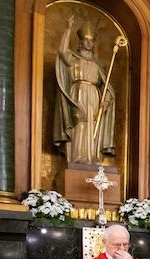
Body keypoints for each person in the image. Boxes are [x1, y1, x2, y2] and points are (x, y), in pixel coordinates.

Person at [54, 14, 116, 165]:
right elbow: (62, 51)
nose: (89, 43)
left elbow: (107, 87)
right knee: (78, 124)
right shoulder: (73, 59)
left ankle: (92, 158)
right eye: (86, 40)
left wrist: (106, 102)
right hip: (78, 94)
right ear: (81, 42)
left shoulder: (98, 64)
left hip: (94, 97)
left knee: (93, 125)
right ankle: (77, 158)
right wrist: (68, 29)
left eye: (91, 40)